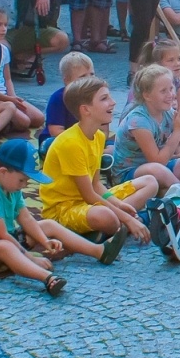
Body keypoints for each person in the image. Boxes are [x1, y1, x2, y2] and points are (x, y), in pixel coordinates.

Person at [0, 139, 127, 298]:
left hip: (2, 237)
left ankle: (99, 251)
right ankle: (47, 278)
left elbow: (26, 219)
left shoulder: (11, 186)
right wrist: (32, 258)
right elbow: (2, 235)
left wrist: (44, 241)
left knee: (48, 225)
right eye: (22, 180)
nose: (24, 185)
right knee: (5, 247)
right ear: (3, 172)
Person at [39, 77, 153, 240]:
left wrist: (119, 204)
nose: (113, 102)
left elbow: (96, 184)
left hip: (89, 202)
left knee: (149, 182)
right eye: (104, 98)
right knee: (106, 216)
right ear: (86, 110)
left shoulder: (98, 136)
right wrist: (126, 217)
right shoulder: (71, 143)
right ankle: (127, 222)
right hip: (64, 209)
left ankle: (118, 226)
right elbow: (89, 195)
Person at [117, 64, 180, 191]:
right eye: (163, 91)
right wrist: (178, 132)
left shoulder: (168, 112)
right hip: (131, 174)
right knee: (157, 169)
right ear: (147, 95)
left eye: (171, 88)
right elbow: (157, 162)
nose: (170, 94)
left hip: (162, 168)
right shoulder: (138, 121)